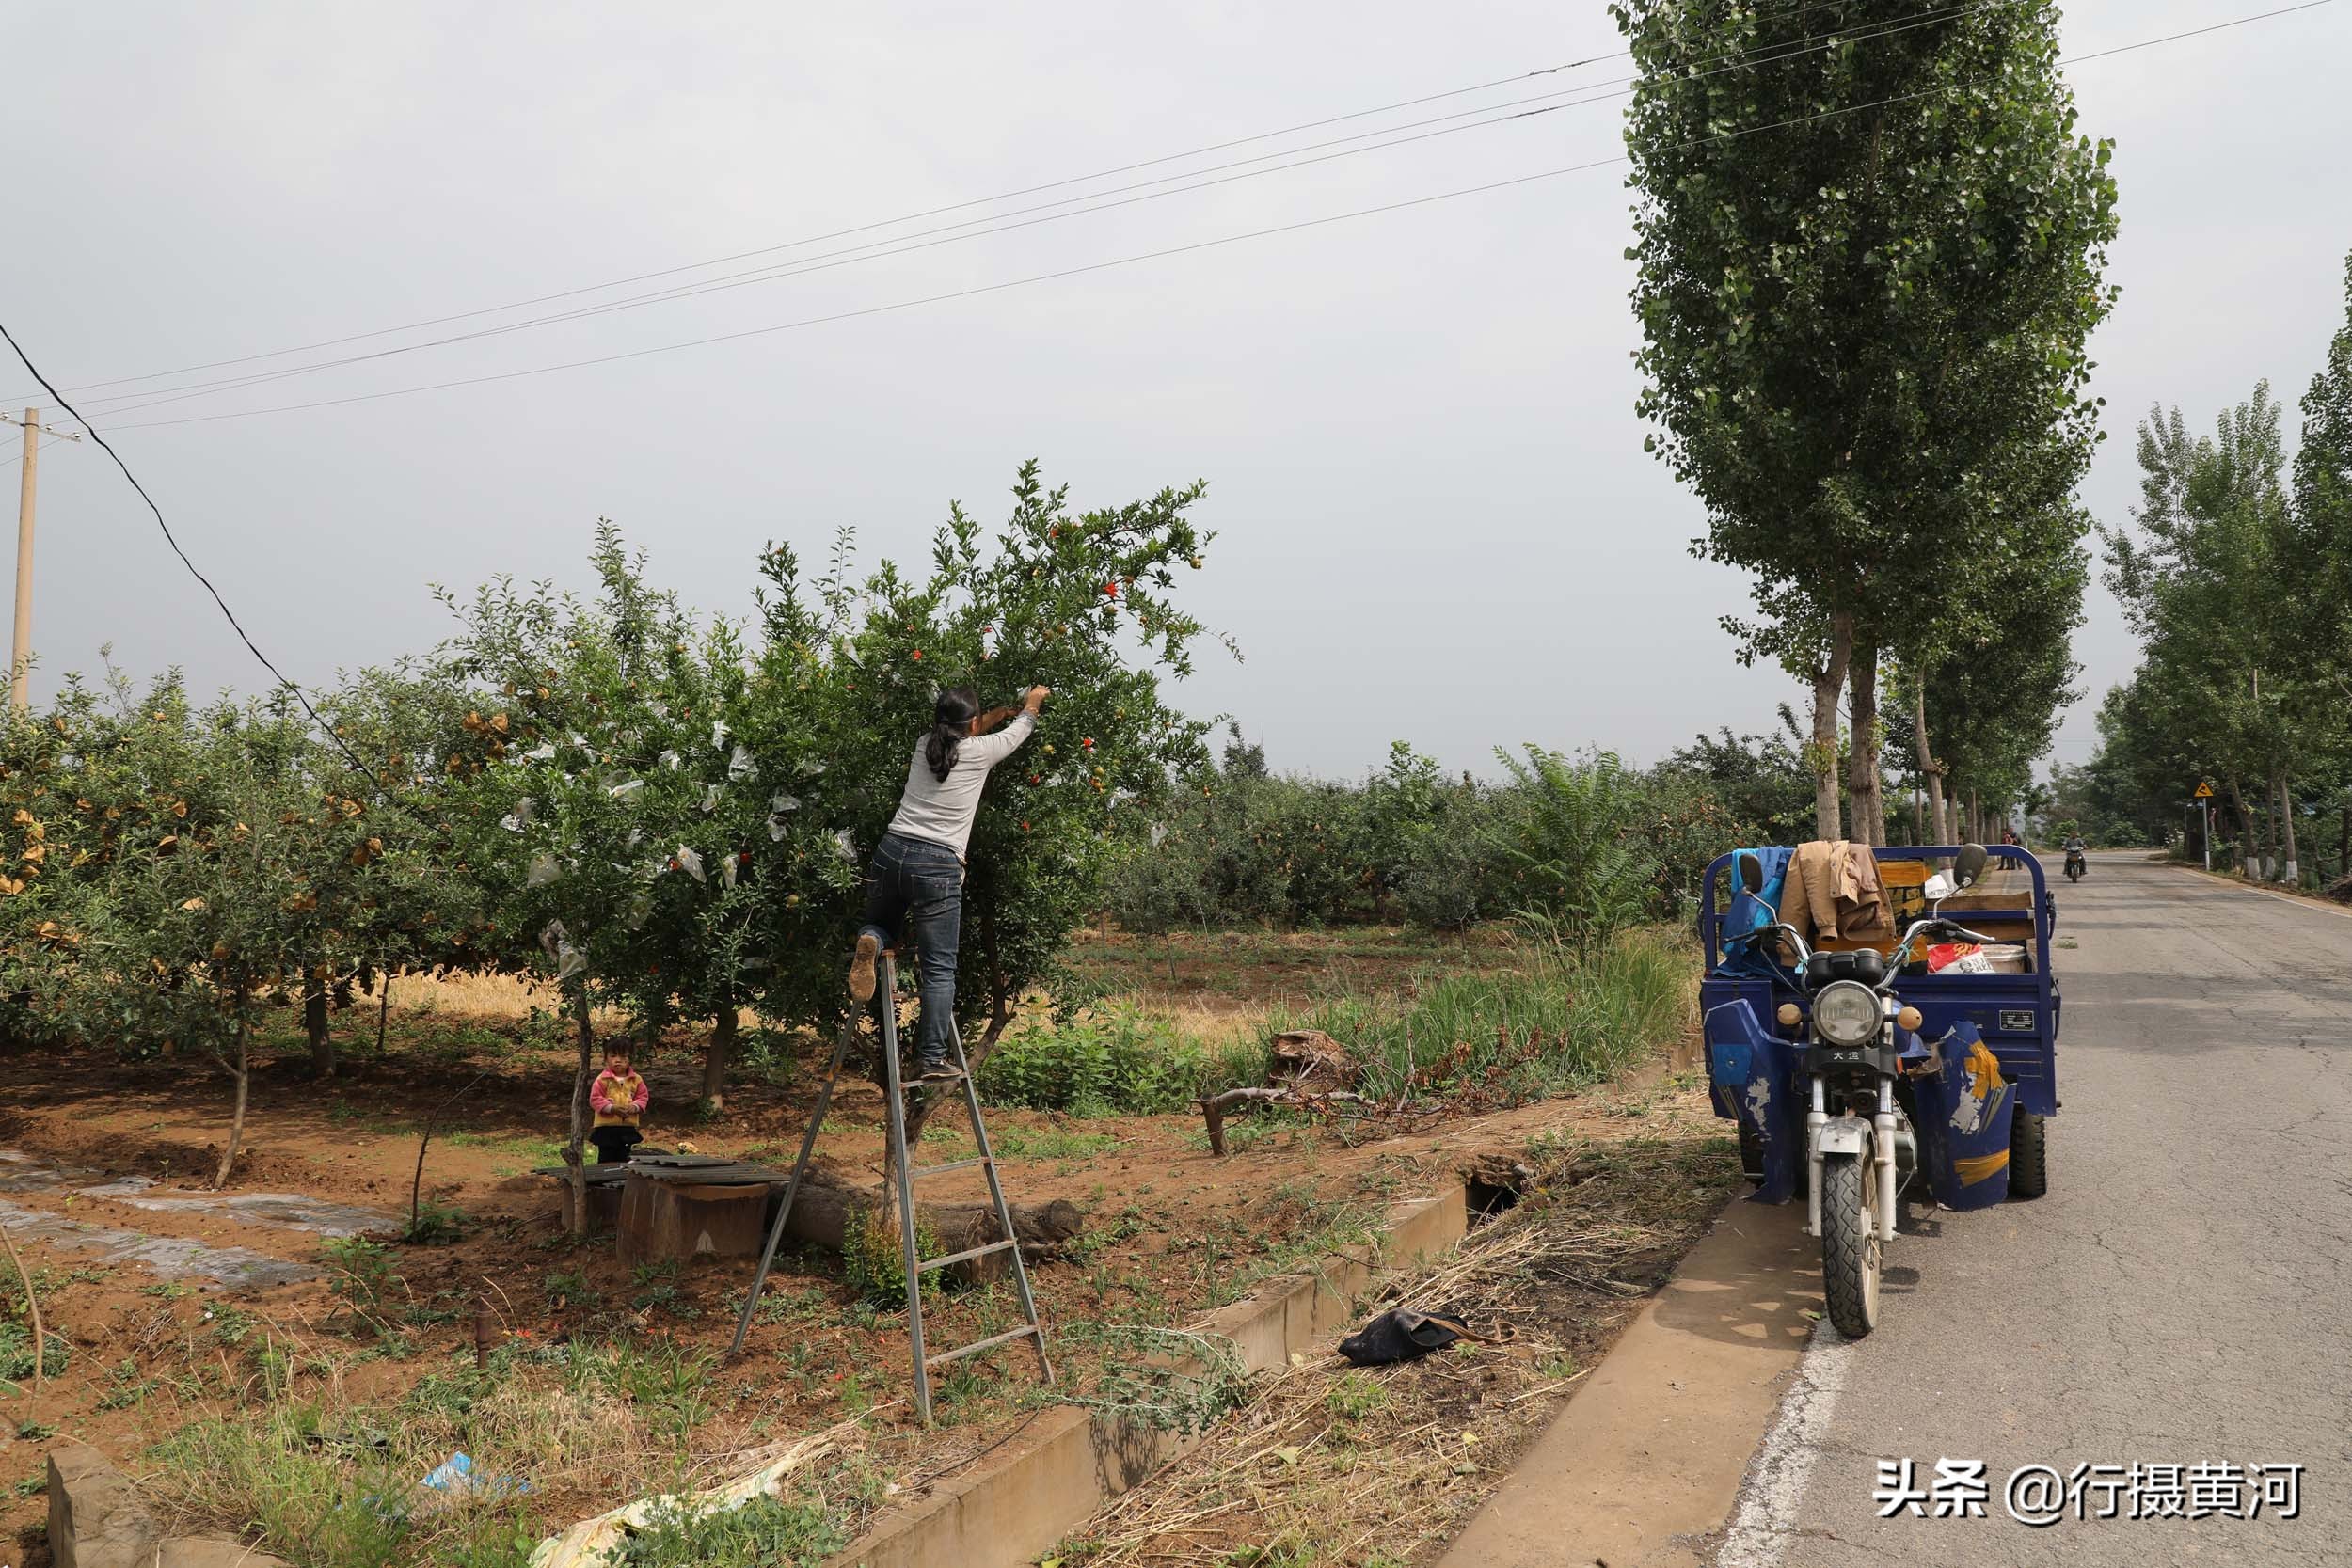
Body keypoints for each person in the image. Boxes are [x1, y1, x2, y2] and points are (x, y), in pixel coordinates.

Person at [850, 683, 1050, 1083]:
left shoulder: (926, 744)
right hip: (936, 864)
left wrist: (994, 713)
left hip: (892, 850)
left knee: (883, 926)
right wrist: (1032, 703)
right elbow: (1021, 731)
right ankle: (930, 1058)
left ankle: (870, 940)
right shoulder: (980, 752)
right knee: (939, 968)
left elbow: (964, 731)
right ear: (972, 724)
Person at [588, 1043, 647, 1164]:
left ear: (630, 1059)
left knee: (625, 1157)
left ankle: (622, 1180)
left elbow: (643, 1096)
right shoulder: (602, 1079)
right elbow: (595, 1098)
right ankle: (604, 1179)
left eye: (623, 1057)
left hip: (627, 1127)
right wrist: (611, 1108)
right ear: (606, 1059)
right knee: (606, 1157)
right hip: (606, 1127)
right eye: (613, 1056)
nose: (618, 1060)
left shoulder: (636, 1079)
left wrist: (635, 1107)